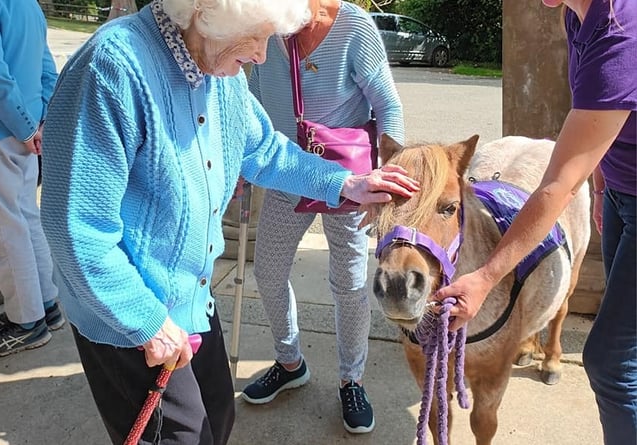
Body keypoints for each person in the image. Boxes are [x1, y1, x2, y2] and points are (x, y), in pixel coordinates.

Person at [39, 0, 419, 444]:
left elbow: (264, 151)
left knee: (216, 420)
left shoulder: (219, 70)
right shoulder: (111, 69)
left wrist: (345, 183)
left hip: (191, 300)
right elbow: (76, 229)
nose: (262, 55)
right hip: (132, 317)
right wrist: (147, 321)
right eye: (256, 36)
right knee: (179, 438)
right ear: (205, 12)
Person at [435, 1, 636, 444]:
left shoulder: (623, 32)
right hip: (623, 190)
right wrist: (604, 188)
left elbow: (556, 186)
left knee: (613, 364)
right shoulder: (576, 13)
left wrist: (485, 277)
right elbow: (595, 118)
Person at [241, 0, 404, 434]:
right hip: (286, 173)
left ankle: (352, 378)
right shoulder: (265, 22)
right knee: (269, 272)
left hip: (347, 182)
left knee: (349, 285)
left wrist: (385, 175)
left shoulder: (354, 27)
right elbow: (252, 98)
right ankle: (290, 361)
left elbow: (388, 106)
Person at [0, 0, 64, 358]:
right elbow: (47, 71)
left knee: (3, 233)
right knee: (24, 222)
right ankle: (45, 307)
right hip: (24, 135)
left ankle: (26, 323)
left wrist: (26, 128)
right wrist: (37, 125)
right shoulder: (29, 6)